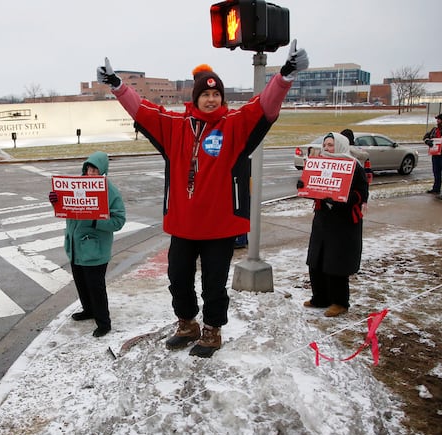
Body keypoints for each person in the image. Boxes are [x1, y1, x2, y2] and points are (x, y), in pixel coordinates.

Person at [97, 39, 309, 357]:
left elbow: (264, 106)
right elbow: (143, 110)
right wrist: (117, 85)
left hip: (220, 228)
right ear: (196, 98)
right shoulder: (176, 125)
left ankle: (212, 330)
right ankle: (187, 324)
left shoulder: (234, 125)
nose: (211, 99)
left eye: (216, 94)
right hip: (183, 226)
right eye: (205, 94)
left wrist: (285, 75)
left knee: (214, 285)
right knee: (177, 279)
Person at [48, 151, 126, 337]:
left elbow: (119, 221)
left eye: (95, 170)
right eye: (89, 169)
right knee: (82, 284)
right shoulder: (75, 186)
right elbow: (67, 210)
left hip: (95, 251)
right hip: (75, 248)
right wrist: (56, 202)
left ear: (103, 172)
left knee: (96, 287)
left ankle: (103, 322)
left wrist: (95, 221)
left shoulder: (110, 190)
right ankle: (88, 310)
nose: (91, 174)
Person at [299, 132, 368, 317]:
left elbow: (362, 193)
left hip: (343, 223)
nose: (327, 149)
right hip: (323, 220)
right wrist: (304, 186)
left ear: (340, 146)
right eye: (325, 145)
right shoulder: (319, 162)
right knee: (316, 260)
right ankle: (320, 297)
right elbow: (312, 185)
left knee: (336, 263)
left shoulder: (354, 166)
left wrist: (342, 198)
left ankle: (340, 302)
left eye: (331, 145)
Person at [423, 113, 442, 195]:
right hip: (435, 154)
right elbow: (426, 137)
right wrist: (427, 141)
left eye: (438, 119)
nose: (437, 121)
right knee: (436, 172)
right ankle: (436, 188)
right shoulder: (435, 129)